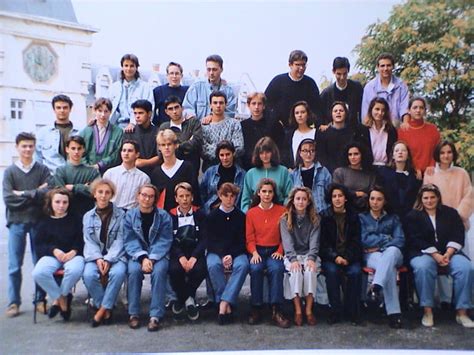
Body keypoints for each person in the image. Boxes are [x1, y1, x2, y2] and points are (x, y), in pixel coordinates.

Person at [405, 184, 474, 328]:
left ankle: (462, 312)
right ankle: (427, 310)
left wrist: (448, 253)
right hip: (422, 252)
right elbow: (414, 239)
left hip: (449, 252)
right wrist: (435, 254)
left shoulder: (451, 213)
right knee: (423, 267)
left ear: (438, 198)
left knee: (466, 267)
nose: (429, 201)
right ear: (420, 199)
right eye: (426, 198)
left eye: (432, 197)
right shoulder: (412, 216)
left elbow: (458, 234)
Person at [3, 132, 51, 317]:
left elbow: (47, 193)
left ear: (34, 147)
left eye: (31, 146)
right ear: (17, 147)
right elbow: (8, 199)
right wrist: (34, 194)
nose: (27, 149)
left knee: (39, 263)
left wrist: (22, 193)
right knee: (14, 265)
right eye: (24, 146)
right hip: (16, 222)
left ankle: (40, 299)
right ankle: (14, 302)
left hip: (38, 221)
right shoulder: (10, 172)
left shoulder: (42, 169)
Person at [123, 184, 173, 331]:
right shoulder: (129, 216)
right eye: (144, 195)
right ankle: (133, 314)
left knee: (159, 271)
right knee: (133, 272)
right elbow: (129, 240)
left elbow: (165, 240)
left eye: (151, 196)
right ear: (138, 196)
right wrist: (143, 258)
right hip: (137, 255)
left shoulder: (163, 216)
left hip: (158, 255)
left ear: (155, 199)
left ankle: (155, 315)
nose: (146, 199)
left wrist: (151, 259)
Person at [32, 188, 84, 321]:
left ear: (69, 203)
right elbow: (39, 244)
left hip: (73, 255)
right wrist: (54, 250)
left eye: (65, 202)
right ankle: (62, 298)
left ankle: (58, 299)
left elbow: (82, 239)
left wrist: (74, 251)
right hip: (52, 256)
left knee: (75, 270)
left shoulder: (76, 218)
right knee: (38, 272)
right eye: (57, 202)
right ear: (51, 203)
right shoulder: (43, 220)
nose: (61, 205)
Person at [82, 179, 127, 327]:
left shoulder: (121, 215)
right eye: (100, 192)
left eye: (107, 192)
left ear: (112, 195)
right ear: (94, 194)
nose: (103, 196)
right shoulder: (88, 216)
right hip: (94, 257)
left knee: (118, 273)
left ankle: (100, 311)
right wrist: (98, 258)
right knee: (88, 275)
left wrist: (108, 259)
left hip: (116, 256)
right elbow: (89, 241)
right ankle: (106, 308)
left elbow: (120, 240)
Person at [246, 179, 290, 328]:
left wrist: (280, 250)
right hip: (257, 250)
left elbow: (286, 235)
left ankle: (276, 309)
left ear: (273, 194)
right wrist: (253, 253)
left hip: (274, 250)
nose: (266, 194)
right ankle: (256, 307)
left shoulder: (282, 211)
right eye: (264, 191)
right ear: (258, 193)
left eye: (270, 191)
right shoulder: (251, 213)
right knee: (255, 269)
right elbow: (249, 237)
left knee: (276, 269)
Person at [359, 187, 405, 328]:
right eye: (372, 198)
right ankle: (394, 313)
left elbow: (400, 239)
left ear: (384, 201)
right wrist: (386, 239)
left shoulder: (393, 218)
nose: (375, 202)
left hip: (394, 254)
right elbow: (363, 240)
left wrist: (379, 244)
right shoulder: (362, 218)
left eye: (379, 199)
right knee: (388, 267)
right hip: (372, 256)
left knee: (391, 252)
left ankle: (376, 285)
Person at [206, 183, 249, 325]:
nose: (229, 199)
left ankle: (223, 302)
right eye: (226, 196)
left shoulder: (241, 216)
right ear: (220, 196)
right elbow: (209, 240)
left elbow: (243, 240)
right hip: (216, 252)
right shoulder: (212, 216)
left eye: (232, 196)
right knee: (213, 265)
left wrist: (231, 254)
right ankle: (227, 303)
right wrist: (222, 254)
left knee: (243, 265)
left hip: (236, 252)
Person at [320, 183, 362, 325]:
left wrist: (347, 257)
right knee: (332, 272)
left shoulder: (354, 216)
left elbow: (356, 241)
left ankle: (352, 311)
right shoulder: (324, 216)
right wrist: (335, 257)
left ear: (345, 198)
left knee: (355, 272)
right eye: (334, 196)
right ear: (330, 199)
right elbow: (323, 244)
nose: (337, 199)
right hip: (331, 258)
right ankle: (335, 311)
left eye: (340, 196)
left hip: (350, 257)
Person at [280, 187, 320, 326]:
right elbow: (287, 242)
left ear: (308, 201)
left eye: (304, 199)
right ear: (293, 201)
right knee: (295, 271)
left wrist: (311, 258)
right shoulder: (285, 219)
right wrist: (293, 259)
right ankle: (298, 310)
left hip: (309, 254)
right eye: (298, 199)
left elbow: (315, 241)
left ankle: (308, 310)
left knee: (310, 272)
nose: (301, 202)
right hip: (293, 255)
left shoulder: (315, 219)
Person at [168, 183, 207, 321]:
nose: (184, 199)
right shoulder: (170, 216)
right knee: (174, 270)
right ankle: (188, 300)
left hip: (195, 251)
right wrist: (181, 257)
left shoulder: (200, 214)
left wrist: (194, 257)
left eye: (187, 196)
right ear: (176, 198)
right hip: (178, 252)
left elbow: (204, 238)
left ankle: (182, 297)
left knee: (201, 269)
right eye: (181, 196)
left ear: (192, 197)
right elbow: (169, 240)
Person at [265, 50, 322, 129]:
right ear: (290, 65)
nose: (301, 68)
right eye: (298, 65)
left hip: (304, 129)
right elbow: (266, 103)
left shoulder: (310, 83)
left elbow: (317, 108)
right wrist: (275, 120)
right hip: (281, 130)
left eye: (303, 65)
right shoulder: (278, 81)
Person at [424, 141, 473, 229]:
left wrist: (457, 216)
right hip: (437, 224)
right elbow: (427, 199)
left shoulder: (462, 173)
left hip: (459, 223)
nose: (446, 156)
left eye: (449, 152)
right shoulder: (430, 174)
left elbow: (469, 198)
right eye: (442, 153)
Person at [150, 129, 200, 212]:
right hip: (164, 218)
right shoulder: (156, 173)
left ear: (175, 145)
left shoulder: (187, 167)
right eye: (163, 145)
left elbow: (195, 192)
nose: (166, 148)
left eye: (169, 144)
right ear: (159, 148)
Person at [50, 136, 100, 218]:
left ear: (83, 149)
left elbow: (96, 192)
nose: (76, 152)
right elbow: (60, 193)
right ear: (67, 149)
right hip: (66, 215)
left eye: (79, 148)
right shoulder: (60, 171)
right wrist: (84, 187)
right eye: (73, 148)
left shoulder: (92, 171)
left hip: (87, 214)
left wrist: (74, 187)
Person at [241, 137, 293, 213]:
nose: (264, 156)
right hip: (256, 215)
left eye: (267, 152)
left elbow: (289, 196)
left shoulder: (283, 171)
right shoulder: (250, 174)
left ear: (273, 152)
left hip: (279, 215)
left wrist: (283, 212)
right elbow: (245, 200)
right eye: (261, 153)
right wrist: (249, 214)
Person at [378, 141, 421, 223]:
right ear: (393, 155)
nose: (400, 152)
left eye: (403, 150)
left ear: (408, 155)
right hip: (389, 216)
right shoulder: (383, 173)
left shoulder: (414, 176)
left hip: (409, 217)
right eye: (397, 150)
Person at [361, 53, 409, 127]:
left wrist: (405, 124)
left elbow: (404, 108)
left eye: (388, 65)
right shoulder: (369, 87)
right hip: (376, 127)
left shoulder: (401, 86)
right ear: (377, 67)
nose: (385, 69)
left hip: (396, 126)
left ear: (393, 66)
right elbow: (366, 112)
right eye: (382, 66)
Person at [108, 53, 154, 131]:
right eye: (126, 65)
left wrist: (133, 123)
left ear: (136, 67)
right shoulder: (114, 87)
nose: (128, 69)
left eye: (132, 66)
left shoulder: (145, 87)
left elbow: (150, 108)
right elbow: (106, 106)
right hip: (116, 126)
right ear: (122, 67)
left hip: (138, 127)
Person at [183, 54, 236, 120]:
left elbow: (230, 114)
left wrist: (212, 118)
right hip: (198, 128)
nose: (211, 73)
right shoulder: (196, 87)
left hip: (220, 128)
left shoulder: (229, 91)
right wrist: (194, 121)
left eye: (214, 69)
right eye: (209, 69)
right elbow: (187, 109)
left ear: (221, 69)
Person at [158, 96, 203, 174]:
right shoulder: (164, 127)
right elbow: (160, 152)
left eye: (176, 107)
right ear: (166, 111)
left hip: (192, 169)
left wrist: (177, 146)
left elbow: (197, 143)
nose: (174, 111)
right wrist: (187, 143)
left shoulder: (193, 122)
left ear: (182, 108)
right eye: (170, 109)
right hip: (171, 170)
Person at [200, 91, 244, 171]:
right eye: (215, 103)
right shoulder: (204, 126)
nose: (218, 106)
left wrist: (216, 148)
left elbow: (238, 146)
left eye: (221, 103)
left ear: (225, 104)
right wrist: (226, 150)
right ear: (210, 105)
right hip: (210, 169)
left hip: (233, 168)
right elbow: (204, 149)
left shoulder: (234, 124)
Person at [35, 94, 79, 174]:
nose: (62, 110)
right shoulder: (43, 133)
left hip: (74, 178)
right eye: (58, 108)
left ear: (70, 109)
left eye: (65, 107)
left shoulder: (79, 132)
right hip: (51, 178)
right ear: (54, 109)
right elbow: (37, 158)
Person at [397, 97, 440, 178]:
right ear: (409, 110)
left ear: (424, 111)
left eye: (421, 108)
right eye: (415, 107)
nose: (418, 110)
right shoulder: (402, 131)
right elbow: (401, 154)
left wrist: (432, 165)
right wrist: (414, 169)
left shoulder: (432, 129)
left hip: (430, 173)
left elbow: (437, 150)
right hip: (409, 173)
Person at [200, 140, 246, 215]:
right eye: (222, 155)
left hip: (234, 213)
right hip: (212, 213)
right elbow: (202, 194)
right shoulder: (210, 172)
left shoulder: (242, 174)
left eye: (228, 154)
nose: (225, 158)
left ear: (233, 154)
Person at [240, 92, 284, 170]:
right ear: (248, 105)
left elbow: (281, 147)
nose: (256, 107)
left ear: (264, 106)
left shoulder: (274, 125)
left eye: (259, 104)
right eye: (253, 104)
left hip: (271, 166)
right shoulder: (242, 126)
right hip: (249, 168)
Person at [103, 140, 151, 211]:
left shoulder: (143, 178)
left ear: (137, 154)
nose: (126, 153)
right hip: (111, 212)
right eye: (124, 150)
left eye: (130, 151)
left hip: (131, 215)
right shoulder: (110, 173)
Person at [316, 101, 362, 174]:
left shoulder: (353, 133)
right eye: (335, 111)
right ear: (331, 114)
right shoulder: (323, 133)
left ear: (346, 113)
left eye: (341, 111)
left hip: (349, 172)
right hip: (329, 172)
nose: (338, 112)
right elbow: (322, 156)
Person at [80, 98, 123, 175]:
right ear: (94, 111)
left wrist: (100, 165)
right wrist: (87, 167)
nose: (103, 115)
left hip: (110, 172)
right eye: (100, 111)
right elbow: (80, 151)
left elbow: (116, 154)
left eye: (106, 111)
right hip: (87, 173)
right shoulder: (86, 131)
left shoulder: (118, 132)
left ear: (110, 112)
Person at [332, 142, 377, 212]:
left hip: (365, 210)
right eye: (350, 154)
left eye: (356, 154)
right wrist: (356, 194)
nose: (353, 157)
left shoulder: (370, 175)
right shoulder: (339, 172)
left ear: (362, 155)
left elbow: (372, 195)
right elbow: (337, 193)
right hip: (344, 210)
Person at [291, 138, 332, 213]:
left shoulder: (323, 171)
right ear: (300, 153)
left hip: (321, 213)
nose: (308, 154)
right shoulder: (294, 174)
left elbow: (330, 194)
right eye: (305, 151)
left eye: (312, 151)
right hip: (301, 214)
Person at [320, 57, 363, 127]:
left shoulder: (356, 88)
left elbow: (362, 109)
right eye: (339, 74)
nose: (342, 77)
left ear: (348, 71)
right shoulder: (326, 94)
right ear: (333, 72)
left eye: (345, 74)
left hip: (353, 131)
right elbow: (321, 115)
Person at [123, 100, 160, 177]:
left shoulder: (158, 132)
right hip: (132, 174)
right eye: (135, 113)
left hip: (154, 173)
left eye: (140, 113)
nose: (137, 116)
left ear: (149, 114)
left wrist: (145, 162)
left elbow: (161, 156)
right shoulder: (129, 132)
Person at [360, 97, 397, 167]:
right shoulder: (363, 130)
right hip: (368, 168)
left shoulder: (391, 130)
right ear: (371, 110)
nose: (380, 113)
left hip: (386, 167)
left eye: (383, 110)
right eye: (377, 109)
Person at [281, 101, 318, 168]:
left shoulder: (317, 133)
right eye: (297, 113)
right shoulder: (289, 135)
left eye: (303, 112)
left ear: (308, 114)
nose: (300, 115)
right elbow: (285, 155)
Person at [153, 62, 189, 126]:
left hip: (184, 129)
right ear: (167, 75)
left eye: (177, 73)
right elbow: (153, 111)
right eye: (171, 73)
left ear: (181, 76)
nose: (174, 76)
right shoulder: (158, 91)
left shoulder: (187, 91)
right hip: (164, 129)